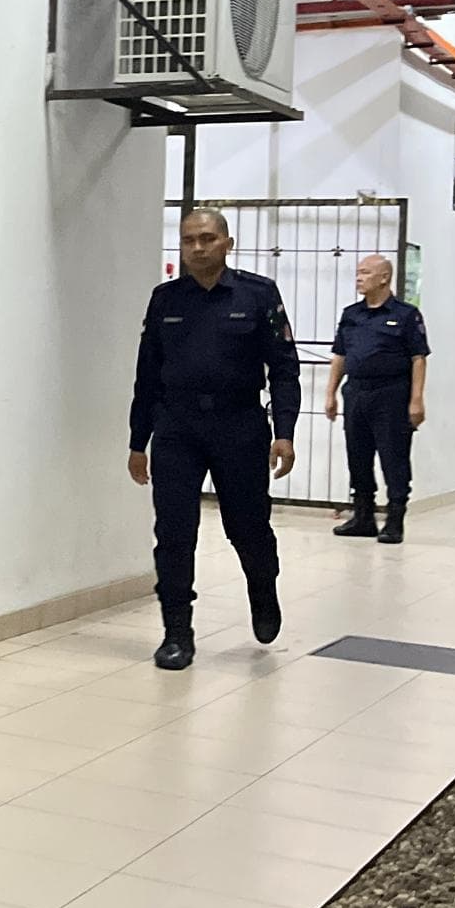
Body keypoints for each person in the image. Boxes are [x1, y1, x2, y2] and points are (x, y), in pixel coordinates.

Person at [128, 208, 300, 671]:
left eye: (207, 238)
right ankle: (176, 633)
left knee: (247, 527)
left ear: (227, 243)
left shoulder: (257, 294)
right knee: (173, 533)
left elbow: (284, 368)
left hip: (239, 425)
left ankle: (262, 587)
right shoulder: (165, 299)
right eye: (188, 240)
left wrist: (284, 433)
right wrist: (138, 441)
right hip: (177, 428)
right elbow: (147, 375)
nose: (197, 248)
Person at [324, 255, 429, 544]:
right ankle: (363, 517)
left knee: (393, 458)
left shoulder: (406, 315)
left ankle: (394, 520)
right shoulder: (351, 314)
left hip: (391, 394)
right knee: (357, 456)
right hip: (356, 392)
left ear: (384, 278)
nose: (359, 278)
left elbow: (418, 358)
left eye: (366, 272)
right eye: (358, 272)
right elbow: (340, 355)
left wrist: (416, 399)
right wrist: (330, 392)